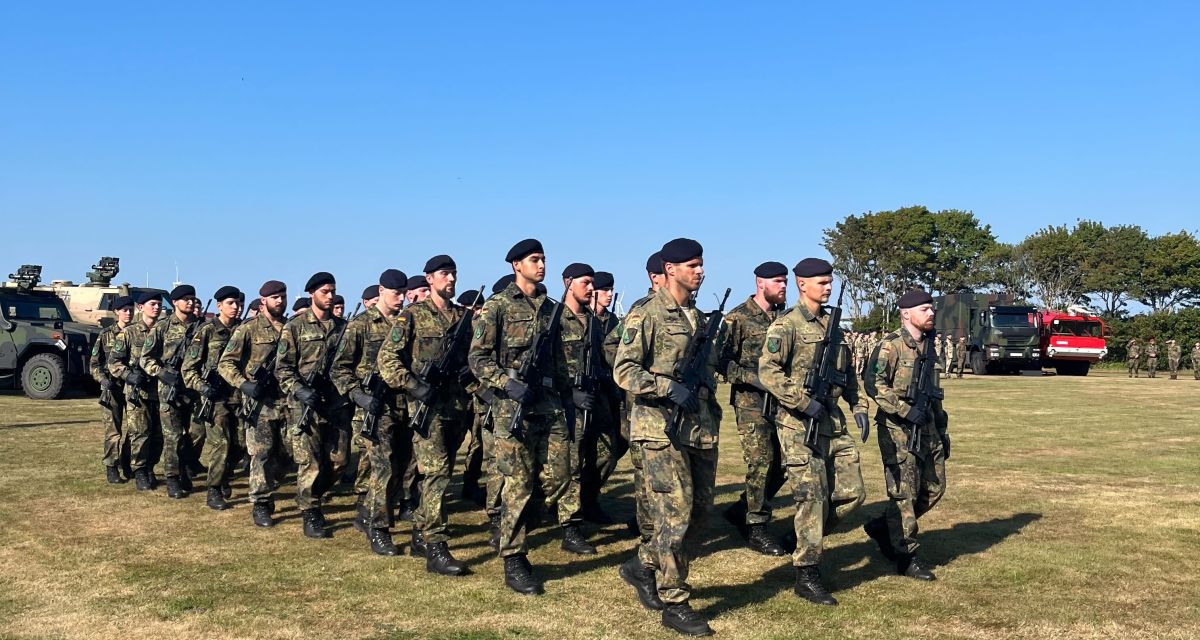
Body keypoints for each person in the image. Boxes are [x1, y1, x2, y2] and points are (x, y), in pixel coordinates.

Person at [614, 238, 721, 636]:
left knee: (700, 514)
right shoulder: (646, 314)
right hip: (658, 430)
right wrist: (664, 386)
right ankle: (675, 601)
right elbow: (624, 369)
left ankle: (642, 564)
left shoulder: (699, 318)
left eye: (701, 264)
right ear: (670, 269)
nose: (700, 271)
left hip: (699, 427)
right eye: (692, 265)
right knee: (674, 515)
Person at [467, 239, 575, 595]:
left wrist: (568, 397)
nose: (541, 265)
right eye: (534, 259)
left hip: (549, 405)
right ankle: (514, 557)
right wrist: (506, 384)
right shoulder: (498, 306)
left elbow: (558, 360)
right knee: (518, 484)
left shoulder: (552, 309)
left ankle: (525, 523)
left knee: (560, 476)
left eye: (543, 259)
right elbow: (478, 358)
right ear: (516, 265)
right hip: (511, 409)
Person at [758, 258, 868, 605]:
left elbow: (848, 375)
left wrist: (859, 406)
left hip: (832, 421)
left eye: (830, 282)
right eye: (821, 282)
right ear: (801, 284)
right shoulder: (786, 325)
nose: (828, 287)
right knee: (812, 496)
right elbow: (769, 371)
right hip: (797, 423)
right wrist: (803, 403)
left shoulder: (834, 326)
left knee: (853, 493)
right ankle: (807, 572)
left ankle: (804, 535)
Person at [378, 256, 477, 574]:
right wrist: (413, 385)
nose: (451, 279)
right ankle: (437, 547)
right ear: (429, 279)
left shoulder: (463, 318)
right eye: (444, 274)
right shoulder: (412, 316)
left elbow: (475, 358)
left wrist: (469, 375)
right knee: (437, 476)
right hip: (427, 411)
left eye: (454, 274)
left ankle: (420, 535)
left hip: (456, 409)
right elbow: (387, 359)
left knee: (435, 475)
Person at [863, 289, 948, 582]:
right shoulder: (891, 346)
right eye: (925, 309)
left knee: (935, 487)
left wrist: (942, 430)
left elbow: (934, 394)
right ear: (906, 314)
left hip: (928, 426)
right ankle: (906, 556)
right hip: (898, 428)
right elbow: (873, 384)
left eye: (932, 308)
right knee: (904, 493)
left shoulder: (930, 346)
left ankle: (884, 527)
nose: (931, 313)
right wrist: (904, 410)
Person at [333, 269, 408, 556]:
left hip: (405, 405)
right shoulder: (361, 325)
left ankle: (368, 512)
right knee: (382, 468)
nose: (401, 299)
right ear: (381, 291)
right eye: (396, 293)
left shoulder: (405, 322)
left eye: (404, 294)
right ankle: (379, 529)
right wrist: (358, 395)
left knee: (401, 469)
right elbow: (339, 368)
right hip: (373, 409)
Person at [717, 260, 789, 556]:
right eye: (778, 281)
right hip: (750, 403)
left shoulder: (785, 319)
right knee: (761, 462)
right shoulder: (737, 318)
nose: (784, 286)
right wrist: (752, 378)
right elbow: (721, 361)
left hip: (782, 401)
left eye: (785, 281)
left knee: (784, 465)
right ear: (761, 283)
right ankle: (756, 527)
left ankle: (742, 509)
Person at [276, 272, 347, 539]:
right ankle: (310, 511)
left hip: (336, 403)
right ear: (312, 294)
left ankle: (315, 494)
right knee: (310, 462)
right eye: (325, 292)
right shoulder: (295, 327)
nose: (330, 296)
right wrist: (300, 390)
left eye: (333, 291)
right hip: (304, 405)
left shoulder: (343, 327)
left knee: (340, 461)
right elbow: (282, 368)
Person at [219, 280, 289, 528]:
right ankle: (261, 502)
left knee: (288, 453)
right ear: (263, 301)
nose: (280, 301)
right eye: (275, 297)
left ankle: (271, 484)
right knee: (261, 453)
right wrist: (243, 384)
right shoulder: (248, 329)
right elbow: (225, 363)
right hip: (260, 404)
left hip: (288, 400)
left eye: (283, 296)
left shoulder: (291, 328)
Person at [182, 286, 245, 510]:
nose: (236, 307)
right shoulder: (207, 331)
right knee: (221, 443)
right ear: (219, 306)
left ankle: (224, 474)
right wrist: (202, 387)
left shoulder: (243, 329)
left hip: (239, 396)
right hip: (214, 398)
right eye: (230, 303)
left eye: (238, 303)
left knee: (242, 443)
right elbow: (188, 369)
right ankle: (214, 489)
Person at [91, 294, 134, 484]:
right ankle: (111, 467)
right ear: (116, 312)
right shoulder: (106, 334)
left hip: (132, 388)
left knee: (135, 429)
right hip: (112, 389)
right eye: (125, 310)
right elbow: (94, 364)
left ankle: (128, 462)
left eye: (131, 310)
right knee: (113, 431)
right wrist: (102, 380)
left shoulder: (137, 333)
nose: (128, 313)